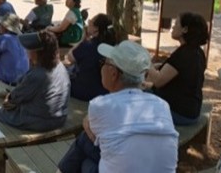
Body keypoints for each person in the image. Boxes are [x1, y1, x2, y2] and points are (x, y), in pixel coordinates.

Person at [57, 40, 178, 173]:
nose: (101, 67)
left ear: (113, 73)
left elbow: (90, 130)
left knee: (85, 152)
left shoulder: (101, 105)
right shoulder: (162, 105)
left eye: (103, 63)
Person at [0, 30, 70, 131]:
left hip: (41, 121)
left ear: (37, 53)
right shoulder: (60, 66)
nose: (27, 52)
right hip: (60, 117)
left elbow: (14, 98)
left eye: (30, 50)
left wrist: (9, 99)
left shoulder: (37, 75)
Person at [146, 12, 209, 125]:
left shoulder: (184, 54)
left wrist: (146, 61)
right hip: (191, 110)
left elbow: (158, 81)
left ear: (185, 29)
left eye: (176, 24)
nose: (173, 27)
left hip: (180, 113)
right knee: (145, 88)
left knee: (134, 97)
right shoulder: (198, 52)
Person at [65, 13, 117, 101]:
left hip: (83, 90)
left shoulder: (88, 45)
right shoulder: (112, 45)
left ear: (96, 29)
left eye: (90, 22)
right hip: (104, 91)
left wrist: (82, 39)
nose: (88, 24)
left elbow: (70, 57)